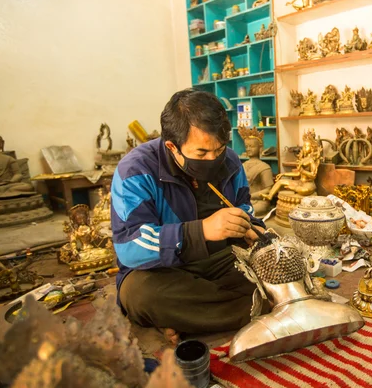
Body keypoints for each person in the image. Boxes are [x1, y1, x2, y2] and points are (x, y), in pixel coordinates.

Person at [111, 89, 265, 344]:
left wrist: (250, 226)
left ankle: (182, 320)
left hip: (220, 259)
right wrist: (201, 231)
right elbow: (130, 247)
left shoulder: (230, 161)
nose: (213, 159)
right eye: (202, 153)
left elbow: (244, 207)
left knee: (274, 268)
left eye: (219, 149)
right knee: (141, 295)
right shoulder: (135, 170)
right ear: (172, 147)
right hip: (162, 269)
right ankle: (256, 307)